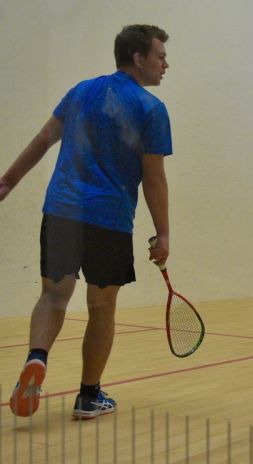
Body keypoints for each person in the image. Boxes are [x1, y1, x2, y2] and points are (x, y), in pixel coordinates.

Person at [1, 24, 172, 419]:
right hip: (109, 219)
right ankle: (89, 396)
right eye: (160, 57)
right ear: (138, 58)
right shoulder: (151, 109)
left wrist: (8, 180)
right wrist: (163, 233)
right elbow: (154, 178)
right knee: (101, 307)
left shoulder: (81, 92)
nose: (166, 65)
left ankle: (37, 357)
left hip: (61, 211)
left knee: (53, 297)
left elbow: (43, 138)